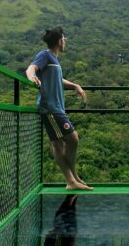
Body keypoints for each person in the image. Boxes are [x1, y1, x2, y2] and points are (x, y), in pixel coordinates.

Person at [26, 27, 93, 191]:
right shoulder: (45, 55)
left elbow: (58, 79)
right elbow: (31, 68)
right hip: (50, 108)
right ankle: (73, 178)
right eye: (64, 38)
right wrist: (32, 77)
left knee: (58, 144)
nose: (65, 41)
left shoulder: (54, 60)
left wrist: (75, 85)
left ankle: (72, 180)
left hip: (56, 108)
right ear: (59, 41)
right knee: (72, 139)